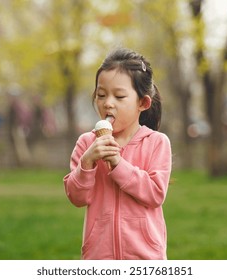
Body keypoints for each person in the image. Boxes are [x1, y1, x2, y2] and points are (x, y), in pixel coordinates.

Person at [63, 48, 172, 260]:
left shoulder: (157, 143)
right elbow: (77, 197)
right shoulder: (87, 143)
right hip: (99, 256)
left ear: (143, 103)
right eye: (101, 95)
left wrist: (119, 164)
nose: (107, 103)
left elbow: (155, 194)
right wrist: (87, 163)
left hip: (144, 257)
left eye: (119, 96)